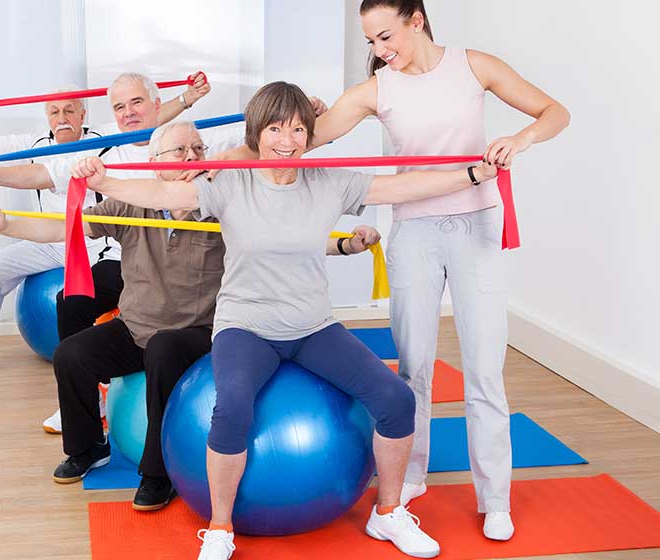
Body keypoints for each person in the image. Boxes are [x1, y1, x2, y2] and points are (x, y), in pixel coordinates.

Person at [72, 81, 498, 559]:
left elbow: (402, 185)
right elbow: (160, 190)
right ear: (257, 132)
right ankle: (219, 528)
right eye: (276, 128)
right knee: (231, 407)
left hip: (313, 327)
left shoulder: (327, 181)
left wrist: (472, 174)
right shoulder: (230, 183)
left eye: (298, 128)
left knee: (396, 399)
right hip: (245, 327)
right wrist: (103, 181)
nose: (288, 139)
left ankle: (388, 512)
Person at [212, 0, 570, 541]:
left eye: (386, 37)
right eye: (371, 43)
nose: (380, 52)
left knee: (484, 371)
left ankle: (495, 497)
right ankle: (408, 482)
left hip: (476, 228)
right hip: (415, 232)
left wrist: (518, 140)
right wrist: (210, 157)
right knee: (414, 368)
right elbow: (290, 143)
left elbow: (554, 113)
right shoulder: (378, 89)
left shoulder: (475, 66)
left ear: (416, 20)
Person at [0, 120, 382, 511]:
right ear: (156, 162)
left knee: (165, 349)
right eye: (181, 149)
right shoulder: (130, 204)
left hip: (200, 332)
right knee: (71, 355)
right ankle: (88, 448)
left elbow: (289, 241)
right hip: (135, 328)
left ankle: (158, 472)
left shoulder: (223, 205)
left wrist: (345, 245)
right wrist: (5, 223)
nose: (191, 157)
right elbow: (66, 228)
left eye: (198, 149)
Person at [0, 73, 243, 432]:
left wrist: (307, 119)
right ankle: (86, 397)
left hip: (185, 266)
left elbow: (262, 143)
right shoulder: (100, 151)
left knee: (168, 332)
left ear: (158, 107)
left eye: (137, 103)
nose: (128, 113)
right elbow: (40, 177)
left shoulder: (190, 141)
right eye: (119, 107)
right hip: (124, 257)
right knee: (71, 298)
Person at [0, 73, 211, 379]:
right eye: (54, 111)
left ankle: (89, 375)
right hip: (52, 237)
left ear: (83, 114)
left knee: (79, 297)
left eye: (70, 110)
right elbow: (16, 162)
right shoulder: (36, 143)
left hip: (93, 242)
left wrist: (187, 99)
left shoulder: (104, 138)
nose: (62, 117)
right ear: (46, 116)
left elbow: (147, 120)